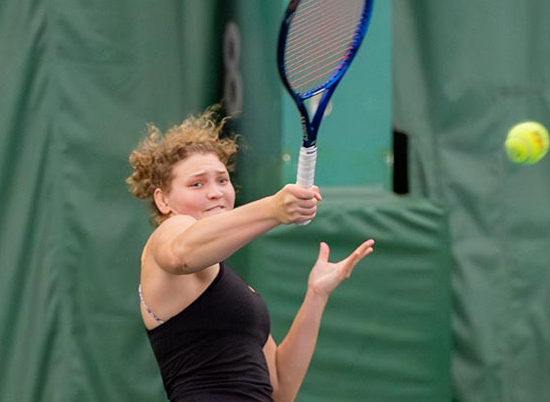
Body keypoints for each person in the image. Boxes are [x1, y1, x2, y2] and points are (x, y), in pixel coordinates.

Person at [126, 105, 374, 402]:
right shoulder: (168, 236)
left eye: (222, 180)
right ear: (163, 200)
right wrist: (273, 208)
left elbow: (281, 388)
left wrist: (316, 295)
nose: (215, 191)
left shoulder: (235, 289)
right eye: (196, 183)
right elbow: (182, 254)